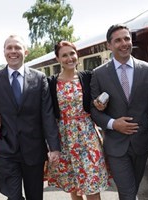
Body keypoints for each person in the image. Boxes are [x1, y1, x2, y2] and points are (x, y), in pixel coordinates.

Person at [90, 24, 148, 200]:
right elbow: (94, 111)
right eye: (118, 40)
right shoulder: (99, 74)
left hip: (142, 143)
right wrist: (113, 124)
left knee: (131, 191)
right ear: (109, 46)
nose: (124, 43)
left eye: (127, 38)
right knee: (128, 193)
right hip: (116, 146)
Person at [0, 34, 61, 200]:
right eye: (9, 48)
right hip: (7, 150)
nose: (13, 51)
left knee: (35, 196)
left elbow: (47, 114)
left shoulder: (39, 78)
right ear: (4, 52)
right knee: (13, 197)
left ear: (25, 52)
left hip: (34, 150)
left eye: (17, 47)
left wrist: (54, 147)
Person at [46, 41, 109, 200]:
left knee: (92, 183)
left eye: (72, 53)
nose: (69, 58)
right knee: (74, 185)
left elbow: (96, 102)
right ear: (58, 59)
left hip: (88, 136)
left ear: (77, 54)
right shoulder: (51, 82)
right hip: (64, 139)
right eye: (64, 55)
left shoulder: (88, 77)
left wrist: (100, 105)